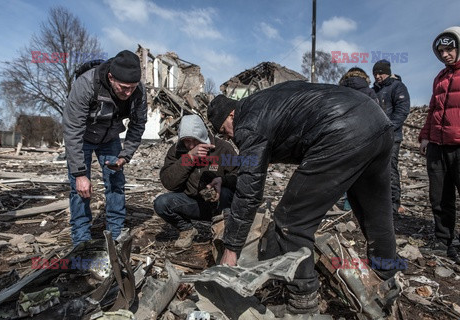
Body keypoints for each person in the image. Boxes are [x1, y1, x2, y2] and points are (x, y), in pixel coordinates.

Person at [208, 81, 397, 315]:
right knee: (375, 213)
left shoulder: (247, 122)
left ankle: (302, 302)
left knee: (290, 222)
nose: (225, 135)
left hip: (341, 130)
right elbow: (251, 168)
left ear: (231, 114)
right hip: (378, 122)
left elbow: (249, 192)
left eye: (222, 129)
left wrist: (231, 249)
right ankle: (386, 280)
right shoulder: (265, 102)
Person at [63, 50, 147, 246]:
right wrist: (80, 173)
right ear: (111, 77)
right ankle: (81, 238)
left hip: (110, 138)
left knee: (116, 182)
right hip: (82, 137)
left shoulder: (138, 92)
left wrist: (125, 156)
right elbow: (73, 129)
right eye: (124, 88)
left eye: (132, 88)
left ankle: (115, 233)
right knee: (79, 189)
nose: (128, 93)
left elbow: (138, 125)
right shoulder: (85, 85)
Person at [154, 114, 238, 248]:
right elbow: (169, 183)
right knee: (161, 203)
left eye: (195, 140)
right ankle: (187, 230)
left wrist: (222, 180)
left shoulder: (222, 149)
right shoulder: (177, 151)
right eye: (187, 141)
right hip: (192, 203)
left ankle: (224, 234)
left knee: (227, 193)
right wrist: (189, 158)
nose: (191, 145)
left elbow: (238, 175)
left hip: (221, 205)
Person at [419, 26, 460, 263]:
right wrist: (425, 136)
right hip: (437, 145)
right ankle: (442, 242)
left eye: (449, 49)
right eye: (441, 51)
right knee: (440, 197)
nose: (445, 55)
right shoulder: (440, 77)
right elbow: (433, 109)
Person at [373, 59, 410, 215]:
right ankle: (376, 201)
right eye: (375, 73)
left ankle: (394, 203)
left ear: (387, 73)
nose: (377, 76)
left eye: (380, 73)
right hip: (375, 136)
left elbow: (402, 110)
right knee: (375, 168)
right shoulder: (374, 90)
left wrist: (387, 128)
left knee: (390, 168)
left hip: (392, 136)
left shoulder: (397, 87)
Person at [338, 67, 379, 211]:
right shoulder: (369, 91)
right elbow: (377, 113)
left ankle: (346, 204)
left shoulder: (340, 91)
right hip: (364, 135)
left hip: (343, 136)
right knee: (362, 171)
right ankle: (360, 205)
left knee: (344, 170)